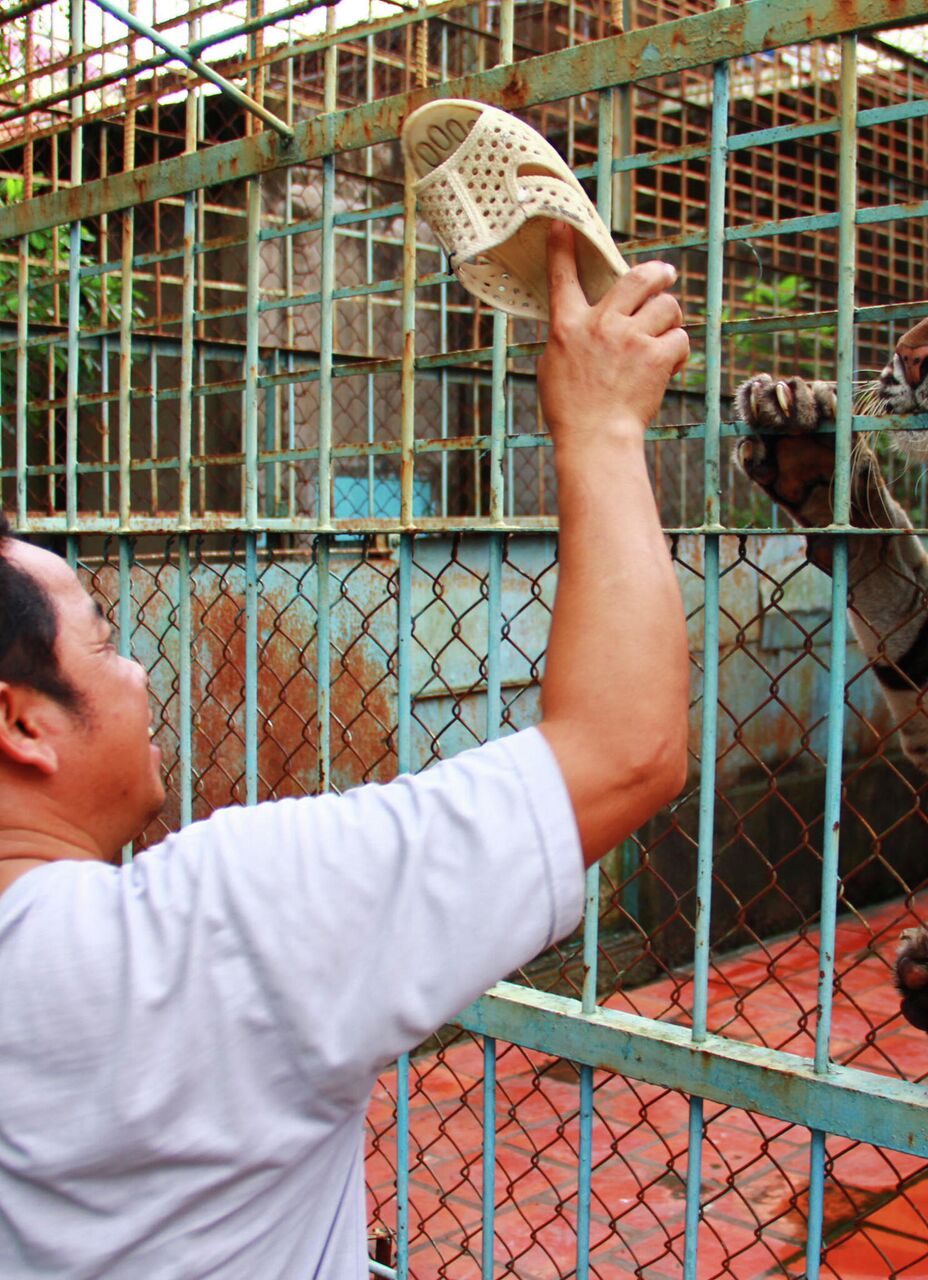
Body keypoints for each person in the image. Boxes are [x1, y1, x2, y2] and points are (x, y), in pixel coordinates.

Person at [0, 222, 690, 1278]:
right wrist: (597, 425)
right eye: (101, 639)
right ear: (21, 723)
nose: (136, 670)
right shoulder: (207, 930)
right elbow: (623, 748)